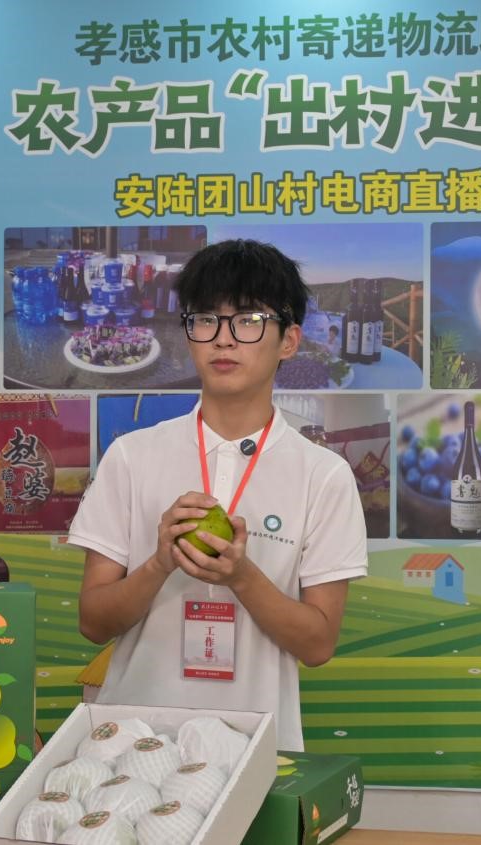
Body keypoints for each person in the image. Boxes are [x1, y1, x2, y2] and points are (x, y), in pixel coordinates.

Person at [69, 239, 368, 750]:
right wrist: (160, 562)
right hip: (132, 745)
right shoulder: (131, 456)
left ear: (289, 340)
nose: (223, 339)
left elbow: (318, 644)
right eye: (206, 319)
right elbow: (93, 623)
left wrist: (241, 576)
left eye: (248, 320)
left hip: (258, 747)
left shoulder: (323, 475)